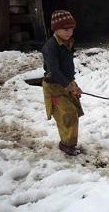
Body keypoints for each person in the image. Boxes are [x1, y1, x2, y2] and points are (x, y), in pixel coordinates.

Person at [41, 10, 84, 156]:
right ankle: (66, 145)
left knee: (73, 113)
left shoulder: (68, 43)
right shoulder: (50, 47)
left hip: (66, 82)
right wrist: (69, 86)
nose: (69, 32)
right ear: (56, 29)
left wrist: (73, 84)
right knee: (67, 114)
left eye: (71, 29)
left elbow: (67, 67)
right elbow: (54, 70)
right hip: (54, 86)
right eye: (65, 29)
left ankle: (69, 142)